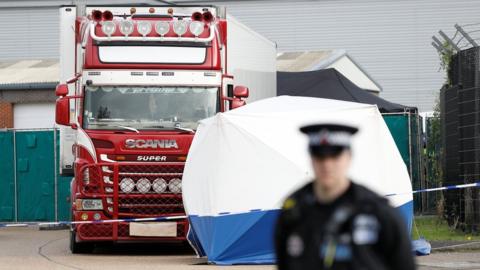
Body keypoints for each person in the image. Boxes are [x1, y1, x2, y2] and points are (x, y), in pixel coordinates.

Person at [275, 123, 416, 270]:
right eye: (319, 156)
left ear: (349, 157)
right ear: (310, 158)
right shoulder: (293, 213)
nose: (327, 164)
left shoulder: (378, 213)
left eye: (335, 155)